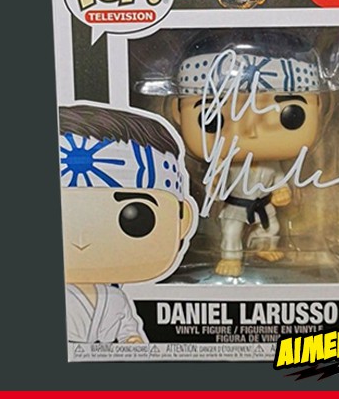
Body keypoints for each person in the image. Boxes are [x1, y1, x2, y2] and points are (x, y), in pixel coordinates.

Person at [172, 31, 321, 277]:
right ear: (178, 112)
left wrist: (282, 191)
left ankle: (264, 246)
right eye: (213, 118)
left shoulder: (272, 163)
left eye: (290, 115)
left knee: (271, 227)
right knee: (231, 231)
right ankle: (231, 257)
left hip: (263, 204)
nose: (250, 132)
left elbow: (279, 179)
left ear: (319, 106)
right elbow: (216, 184)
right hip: (236, 206)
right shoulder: (227, 162)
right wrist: (215, 182)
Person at [59, 104, 197, 342]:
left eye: (135, 218)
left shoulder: (114, 299)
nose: (82, 240)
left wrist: (132, 339)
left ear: (182, 220)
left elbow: (127, 328)